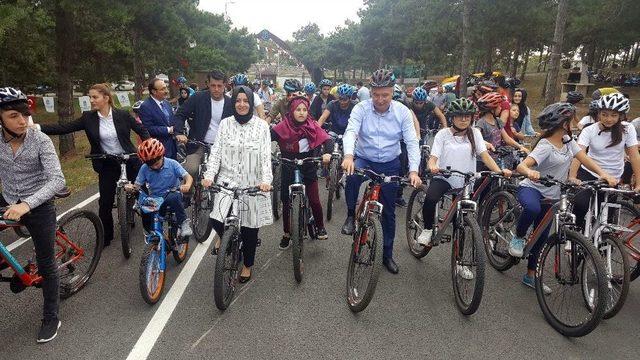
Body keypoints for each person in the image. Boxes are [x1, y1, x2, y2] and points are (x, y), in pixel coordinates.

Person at [509, 103, 616, 292]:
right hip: (532, 189)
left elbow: (584, 158)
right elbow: (522, 166)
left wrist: (602, 174)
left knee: (541, 237)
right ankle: (518, 237)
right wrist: (529, 172)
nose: (575, 123)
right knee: (532, 209)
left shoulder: (568, 141)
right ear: (562, 123)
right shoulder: (545, 145)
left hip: (553, 194)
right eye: (571, 119)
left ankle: (530, 276)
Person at [36, 83, 149, 247]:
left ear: (106, 97)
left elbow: (141, 129)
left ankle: (151, 228)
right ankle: (106, 237)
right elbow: (64, 128)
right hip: (107, 162)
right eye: (90, 97)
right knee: (105, 203)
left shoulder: (123, 115)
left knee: (142, 195)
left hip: (129, 159)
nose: (91, 100)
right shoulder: (88, 117)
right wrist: (37, 127)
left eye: (94, 97)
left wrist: (148, 143)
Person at [0, 87, 66, 343]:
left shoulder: (40, 140)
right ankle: (16, 269)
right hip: (8, 198)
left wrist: (27, 205)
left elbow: (57, 179)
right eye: (14, 116)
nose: (22, 121)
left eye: (25, 115)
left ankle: (51, 316)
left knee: (47, 262)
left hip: (38, 203)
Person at [416, 99, 511, 275]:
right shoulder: (443, 134)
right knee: (430, 198)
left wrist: (499, 171)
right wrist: (432, 165)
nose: (463, 120)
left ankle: (460, 263)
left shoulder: (475, 133)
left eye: (467, 116)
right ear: (452, 117)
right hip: (444, 177)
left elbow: (485, 155)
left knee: (462, 223)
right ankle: (428, 228)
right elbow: (434, 156)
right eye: (460, 116)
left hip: (466, 182)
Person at [341, 69, 422, 274]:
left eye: (385, 95)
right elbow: (351, 132)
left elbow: (412, 142)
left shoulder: (402, 111)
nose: (380, 99)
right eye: (376, 94)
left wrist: (413, 171)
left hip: (390, 163)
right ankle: (351, 214)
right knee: (351, 177)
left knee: (388, 213)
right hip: (364, 158)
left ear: (393, 92)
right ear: (370, 91)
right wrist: (349, 156)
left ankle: (387, 254)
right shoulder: (360, 108)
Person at [201, 85, 273, 283]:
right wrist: (209, 175)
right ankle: (231, 242)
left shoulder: (261, 126)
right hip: (227, 181)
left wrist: (266, 181)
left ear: (251, 103)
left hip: (252, 183)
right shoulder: (225, 124)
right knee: (216, 219)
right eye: (238, 101)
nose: (241, 104)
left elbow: (266, 157)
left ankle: (247, 265)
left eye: (245, 101)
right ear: (233, 103)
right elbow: (216, 152)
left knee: (250, 229)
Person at [569, 93, 640, 228]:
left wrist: (638, 183)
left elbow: (635, 156)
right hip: (590, 173)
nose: (608, 119)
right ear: (598, 113)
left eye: (614, 115)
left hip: (614, 177)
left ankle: (600, 245)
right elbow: (579, 154)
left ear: (620, 116)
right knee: (581, 205)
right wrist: (572, 176)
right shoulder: (589, 130)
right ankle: (574, 234)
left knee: (606, 220)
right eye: (604, 114)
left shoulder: (627, 128)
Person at [271, 96, 332, 248]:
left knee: (315, 200)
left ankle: (320, 226)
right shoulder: (282, 126)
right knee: (285, 202)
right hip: (288, 166)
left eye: (304, 110)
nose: (301, 113)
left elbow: (327, 140)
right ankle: (286, 233)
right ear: (291, 111)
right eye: (298, 109)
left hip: (308, 165)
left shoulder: (312, 125)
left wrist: (327, 153)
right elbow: (266, 137)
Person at [174, 69, 234, 192]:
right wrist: (179, 133)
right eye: (213, 85)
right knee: (190, 169)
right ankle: (187, 197)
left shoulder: (231, 103)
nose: (216, 89)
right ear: (208, 84)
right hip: (198, 144)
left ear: (225, 85)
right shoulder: (198, 97)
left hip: (221, 147)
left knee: (223, 178)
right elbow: (180, 114)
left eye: (219, 86)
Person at [126, 138, 193, 239]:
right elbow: (137, 186)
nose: (154, 166)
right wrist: (131, 187)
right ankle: (152, 233)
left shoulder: (172, 163)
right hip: (156, 199)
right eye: (150, 164)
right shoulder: (144, 168)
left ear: (162, 155)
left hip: (172, 194)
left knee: (173, 197)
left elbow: (188, 177)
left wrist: (187, 185)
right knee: (145, 210)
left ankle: (183, 222)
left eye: (156, 162)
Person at [475, 92, 527, 158]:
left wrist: (520, 146)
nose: (500, 108)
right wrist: (485, 143)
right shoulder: (481, 122)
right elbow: (475, 137)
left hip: (497, 158)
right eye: (499, 106)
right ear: (492, 109)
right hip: (484, 160)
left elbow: (507, 138)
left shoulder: (497, 120)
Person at [138, 78, 178, 159]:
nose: (166, 91)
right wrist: (168, 130)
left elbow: (172, 121)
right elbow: (148, 128)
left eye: (166, 87)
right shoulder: (145, 106)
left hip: (172, 147)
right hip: (157, 150)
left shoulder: (166, 103)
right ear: (153, 91)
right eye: (163, 89)